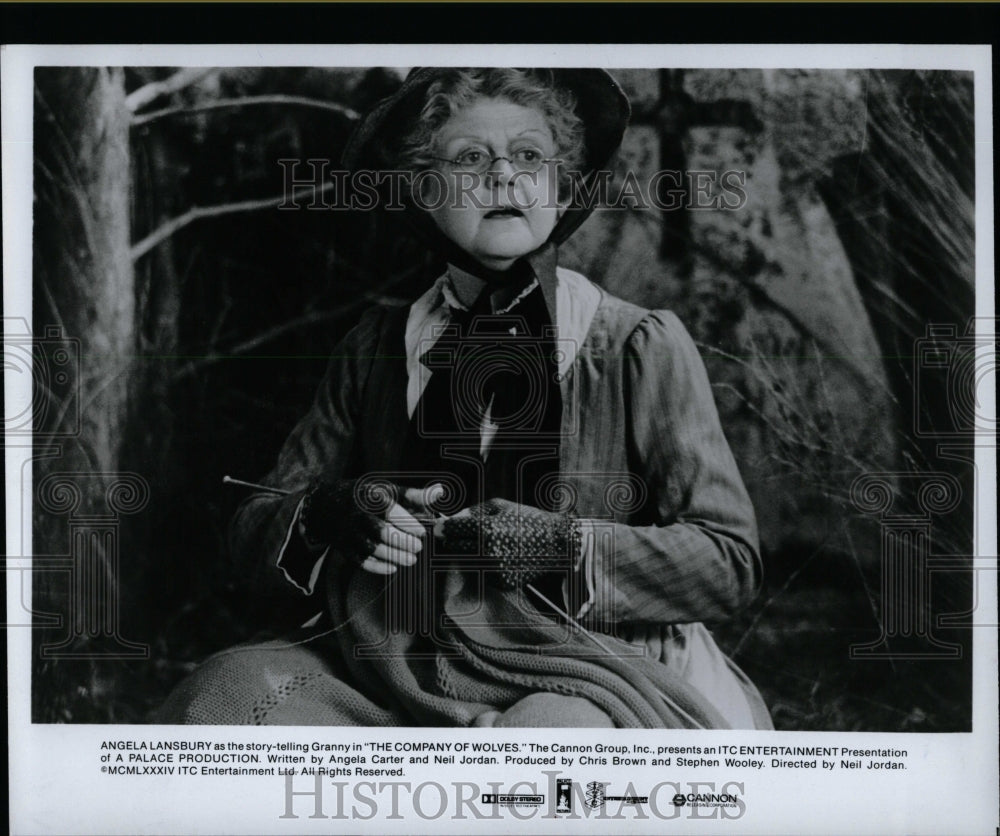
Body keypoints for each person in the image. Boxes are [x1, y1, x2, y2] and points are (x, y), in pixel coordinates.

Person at [160, 67, 772, 729]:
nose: (504, 176)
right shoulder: (375, 347)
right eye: (471, 158)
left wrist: (562, 546)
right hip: (396, 658)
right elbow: (256, 527)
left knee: (544, 742)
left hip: (591, 664)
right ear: (422, 189)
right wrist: (327, 513)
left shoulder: (633, 345)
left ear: (561, 184)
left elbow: (728, 563)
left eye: (530, 156)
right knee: (224, 699)